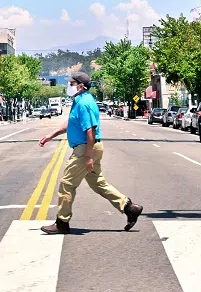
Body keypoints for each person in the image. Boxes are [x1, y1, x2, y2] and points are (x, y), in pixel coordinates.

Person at [38, 72, 143, 235]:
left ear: (80, 85)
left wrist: (87, 156)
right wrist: (51, 135)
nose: (69, 86)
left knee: (67, 184)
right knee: (98, 183)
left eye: (71, 83)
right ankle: (129, 208)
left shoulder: (84, 103)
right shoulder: (79, 101)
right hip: (89, 148)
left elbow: (90, 130)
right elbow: (72, 124)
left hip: (85, 148)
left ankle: (62, 222)